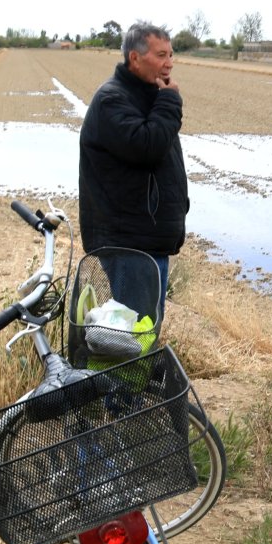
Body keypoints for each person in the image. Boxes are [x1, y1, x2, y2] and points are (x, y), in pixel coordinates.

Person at [78, 22, 188, 346]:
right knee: (128, 335)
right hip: (129, 243)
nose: (169, 63)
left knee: (143, 329)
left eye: (171, 55)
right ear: (134, 58)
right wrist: (170, 101)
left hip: (147, 240)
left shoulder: (145, 96)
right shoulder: (113, 100)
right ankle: (119, 397)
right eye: (161, 55)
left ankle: (133, 392)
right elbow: (148, 146)